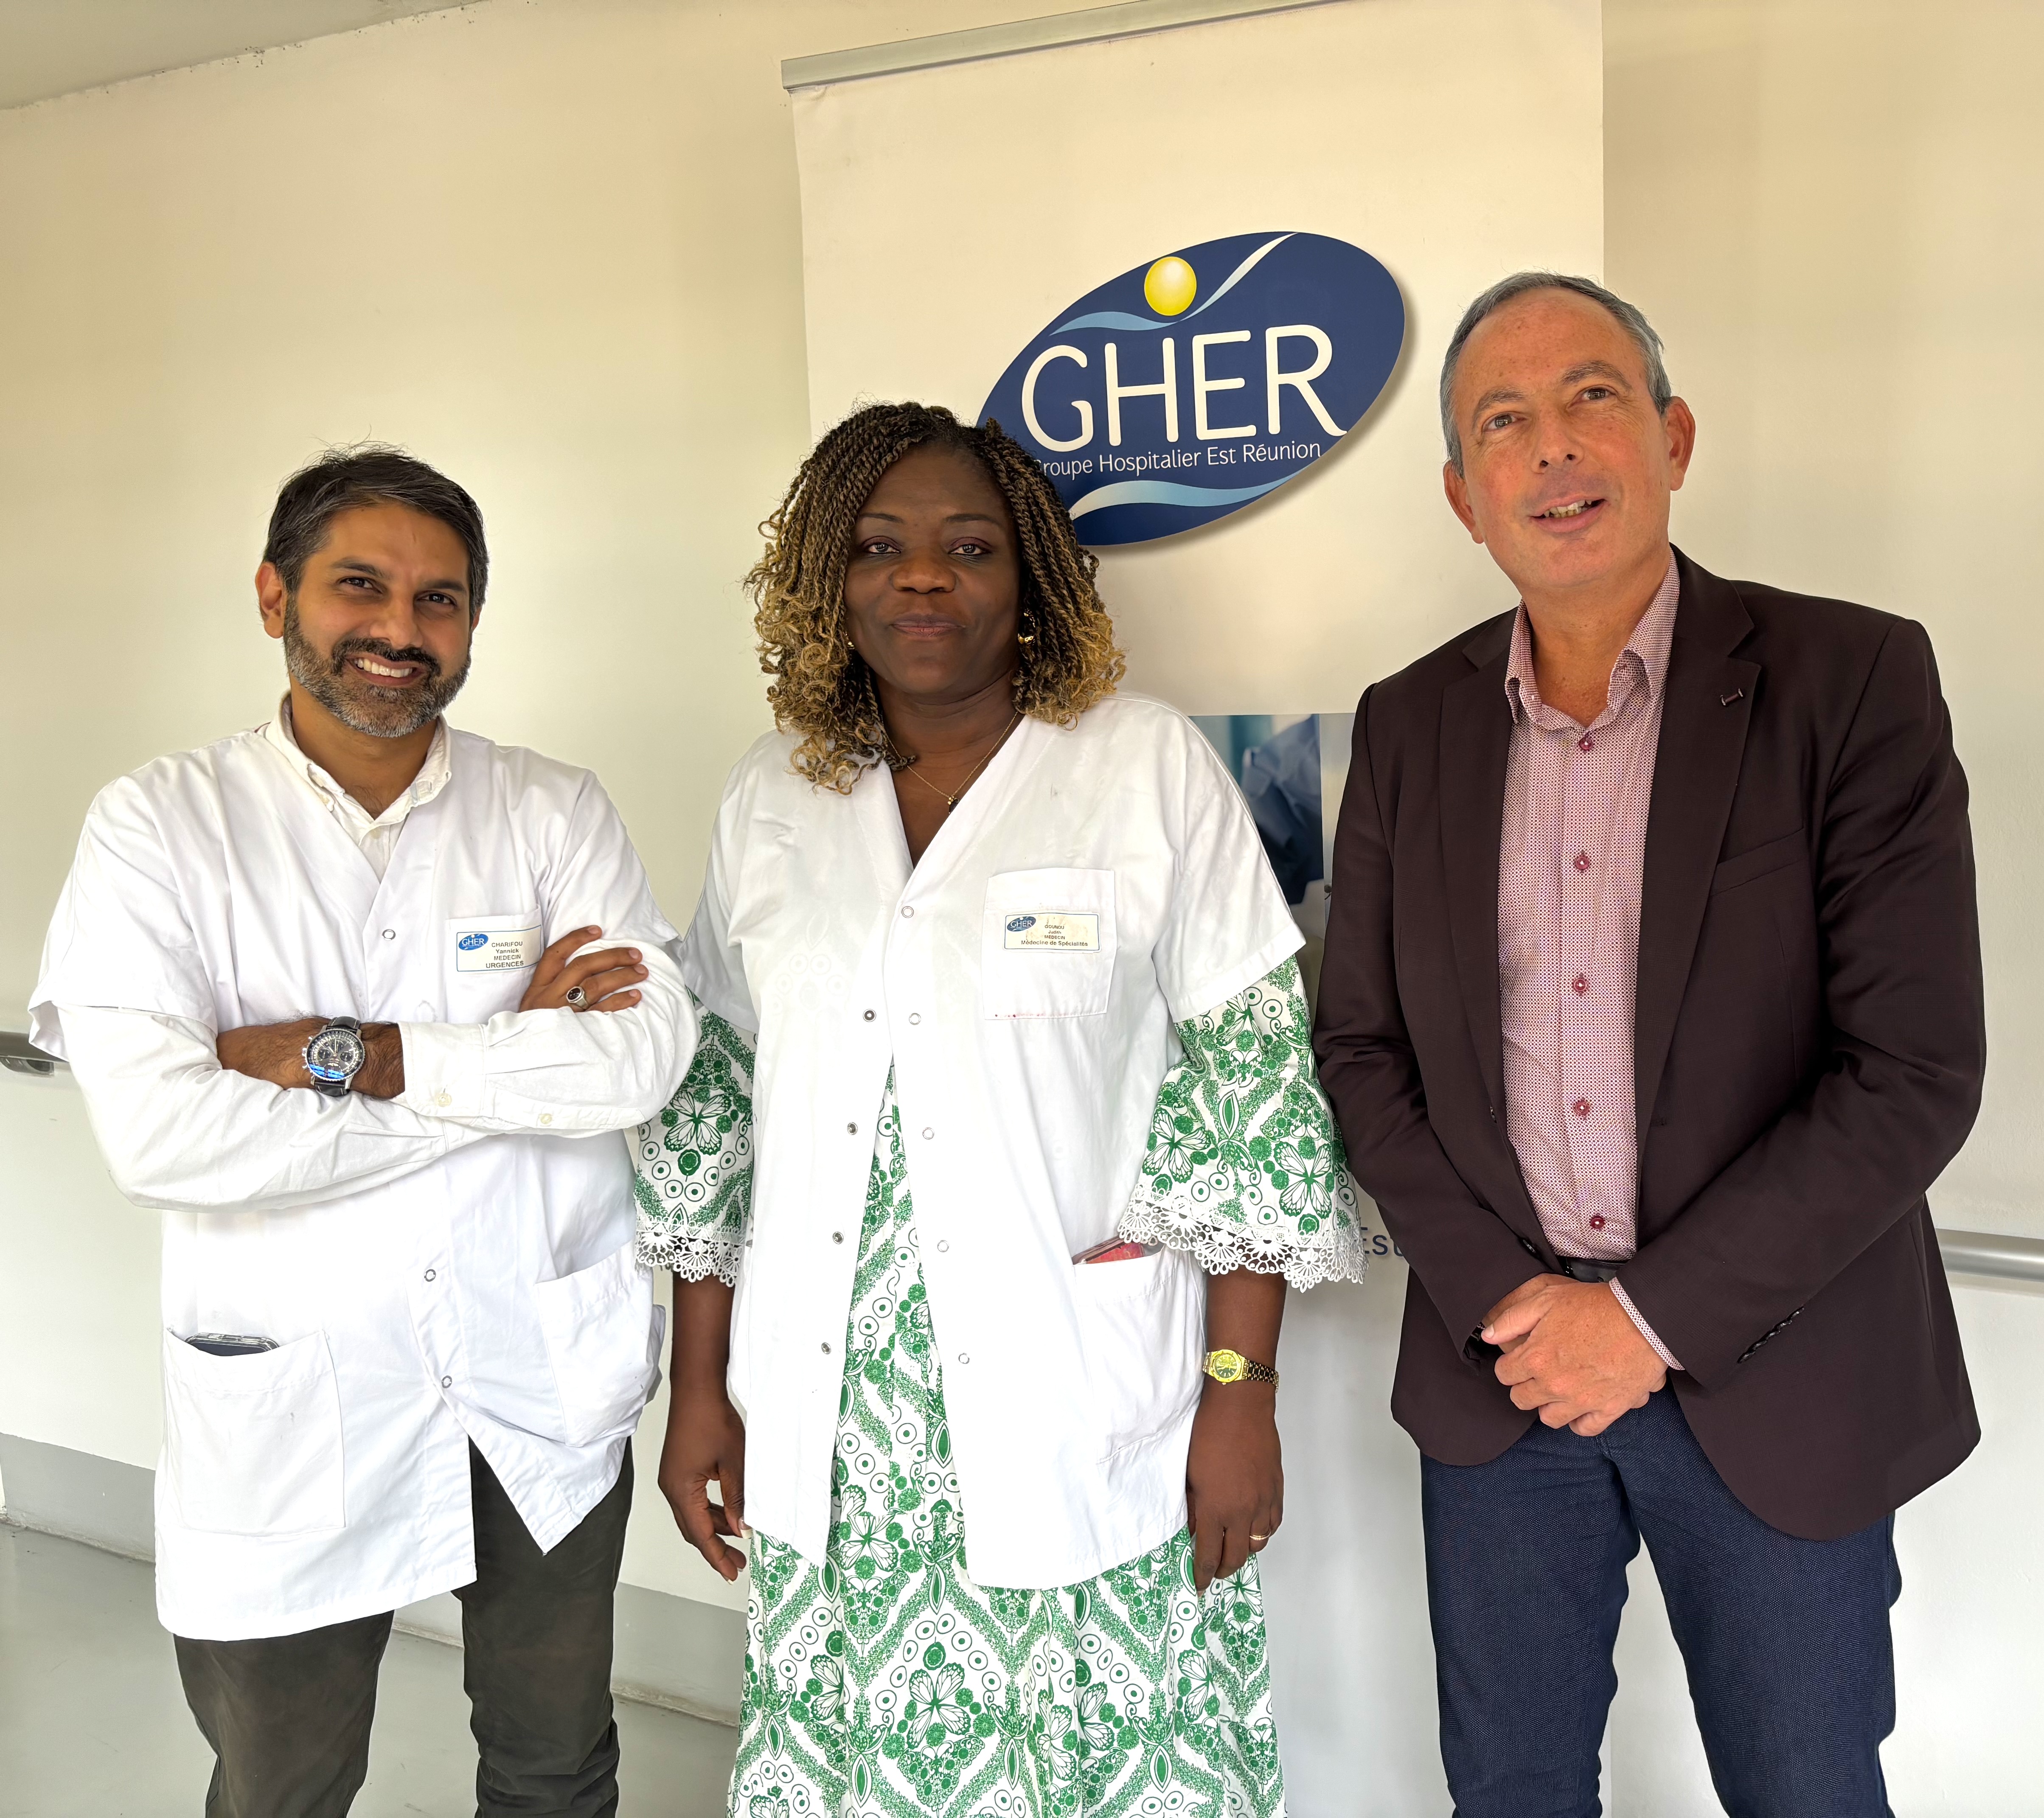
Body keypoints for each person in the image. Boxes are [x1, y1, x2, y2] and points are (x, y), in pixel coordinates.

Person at [1313, 273, 1986, 1816]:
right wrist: (1518, 1307)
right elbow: (1361, 1050)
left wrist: (1647, 1320)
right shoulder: (1408, 724)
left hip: (1778, 1365)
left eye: (1592, 398)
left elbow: (1913, 1070)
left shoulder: (1851, 681)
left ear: (1674, 438)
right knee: (1511, 1789)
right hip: (1504, 1379)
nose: (1553, 448)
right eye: (1504, 422)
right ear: (1463, 496)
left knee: (1806, 1789)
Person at [637, 402, 1362, 1818]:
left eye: (969, 546)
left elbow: (1250, 1089)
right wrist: (699, 1388)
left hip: (1076, 1393)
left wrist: (1241, 1395)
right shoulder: (773, 794)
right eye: (879, 547)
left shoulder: (1141, 766)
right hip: (842, 1424)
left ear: (1027, 573)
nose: (924, 576)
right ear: (826, 577)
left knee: (1108, 1759)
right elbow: (716, 1104)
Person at [28, 445, 697, 1818]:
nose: (400, 628)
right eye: (360, 586)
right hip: (297, 1386)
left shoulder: (553, 807)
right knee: (282, 1780)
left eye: (439, 598)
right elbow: (163, 1133)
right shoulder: (158, 827)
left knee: (557, 1763)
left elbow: (643, 1055)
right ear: (275, 595)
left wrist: (356, 1056)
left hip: (534, 1378)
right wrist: (511, 1062)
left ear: (473, 620)